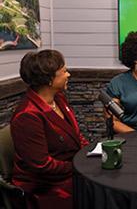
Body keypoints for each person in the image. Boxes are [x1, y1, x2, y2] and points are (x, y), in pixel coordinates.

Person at [10, 50, 89, 209]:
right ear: (49, 80)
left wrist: (89, 152)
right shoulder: (27, 116)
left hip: (70, 173)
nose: (69, 75)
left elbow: (76, 134)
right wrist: (78, 166)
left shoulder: (58, 99)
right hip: (47, 187)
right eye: (64, 71)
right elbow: (42, 165)